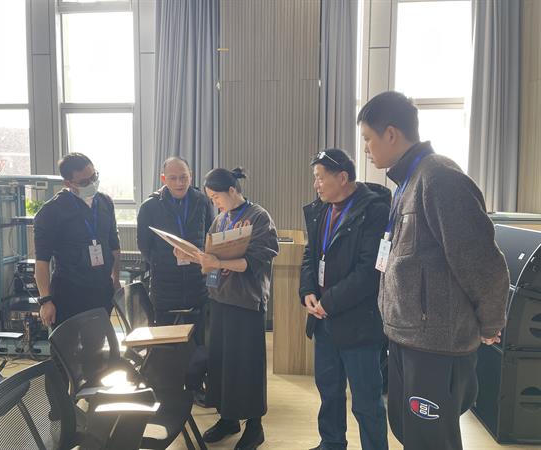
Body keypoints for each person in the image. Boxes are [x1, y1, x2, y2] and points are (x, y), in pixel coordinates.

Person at [357, 91, 510, 450]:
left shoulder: (439, 177)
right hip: (407, 337)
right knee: (411, 434)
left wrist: (490, 323)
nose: (365, 148)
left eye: (367, 138)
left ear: (391, 134)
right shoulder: (407, 182)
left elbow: (482, 262)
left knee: (432, 441)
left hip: (435, 344)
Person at [178, 167, 278, 450]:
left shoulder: (258, 217)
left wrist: (217, 263)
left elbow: (253, 263)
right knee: (220, 364)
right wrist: (192, 256)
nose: (215, 203)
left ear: (232, 191)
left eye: (217, 197)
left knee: (247, 365)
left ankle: (254, 426)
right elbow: (210, 259)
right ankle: (228, 418)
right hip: (219, 300)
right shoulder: (221, 219)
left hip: (246, 304)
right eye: (211, 199)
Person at [300, 148, 390, 450]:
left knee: (366, 401)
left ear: (342, 177)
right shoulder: (321, 209)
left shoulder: (374, 211)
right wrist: (308, 291)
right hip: (323, 319)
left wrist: (329, 302)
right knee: (329, 391)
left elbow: (369, 272)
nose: (316, 184)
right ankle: (331, 443)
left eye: (320, 178)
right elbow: (311, 254)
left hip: (358, 323)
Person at [34, 152, 121, 327]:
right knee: (68, 343)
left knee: (97, 342)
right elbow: (42, 260)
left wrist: (116, 279)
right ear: (68, 183)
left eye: (94, 177)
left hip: (101, 290)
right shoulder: (51, 211)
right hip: (69, 292)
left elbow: (114, 245)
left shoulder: (105, 202)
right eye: (84, 182)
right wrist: (45, 300)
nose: (92, 183)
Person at [136, 156, 213, 342]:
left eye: (183, 177)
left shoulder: (202, 201)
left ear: (191, 176)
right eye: (173, 178)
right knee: (167, 344)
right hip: (165, 287)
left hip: (197, 284)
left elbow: (210, 238)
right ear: (163, 179)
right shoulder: (150, 207)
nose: (179, 183)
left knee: (199, 342)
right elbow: (144, 246)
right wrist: (163, 262)